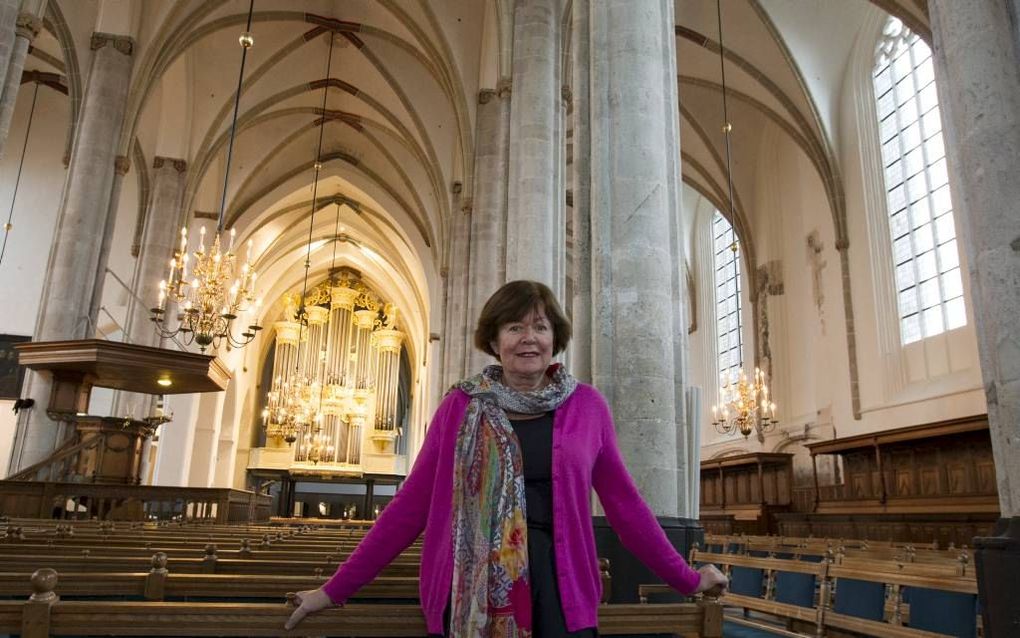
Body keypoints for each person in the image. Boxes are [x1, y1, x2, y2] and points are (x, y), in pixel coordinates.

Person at [286, 280, 728, 636]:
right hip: (470, 591)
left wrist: (687, 579)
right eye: (514, 327)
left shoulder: (588, 407)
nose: (528, 338)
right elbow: (409, 507)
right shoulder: (460, 406)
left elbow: (625, 506)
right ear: (494, 341)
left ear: (555, 338)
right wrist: (334, 589)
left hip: (562, 589)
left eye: (539, 327)